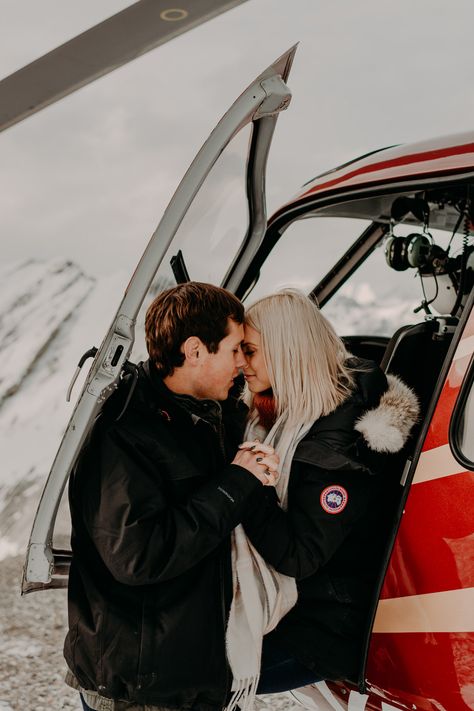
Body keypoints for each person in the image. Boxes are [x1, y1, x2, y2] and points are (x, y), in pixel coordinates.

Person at [63, 282, 280, 711]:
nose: (242, 363)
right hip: (143, 690)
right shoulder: (126, 432)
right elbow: (137, 556)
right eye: (235, 349)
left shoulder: (206, 411)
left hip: (191, 677)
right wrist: (236, 482)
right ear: (196, 350)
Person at [234, 289, 419, 696]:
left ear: (287, 352)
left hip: (325, 626)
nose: (240, 362)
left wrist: (244, 484)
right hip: (302, 606)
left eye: (249, 350)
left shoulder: (338, 445)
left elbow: (301, 555)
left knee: (187, 675)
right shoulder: (283, 413)